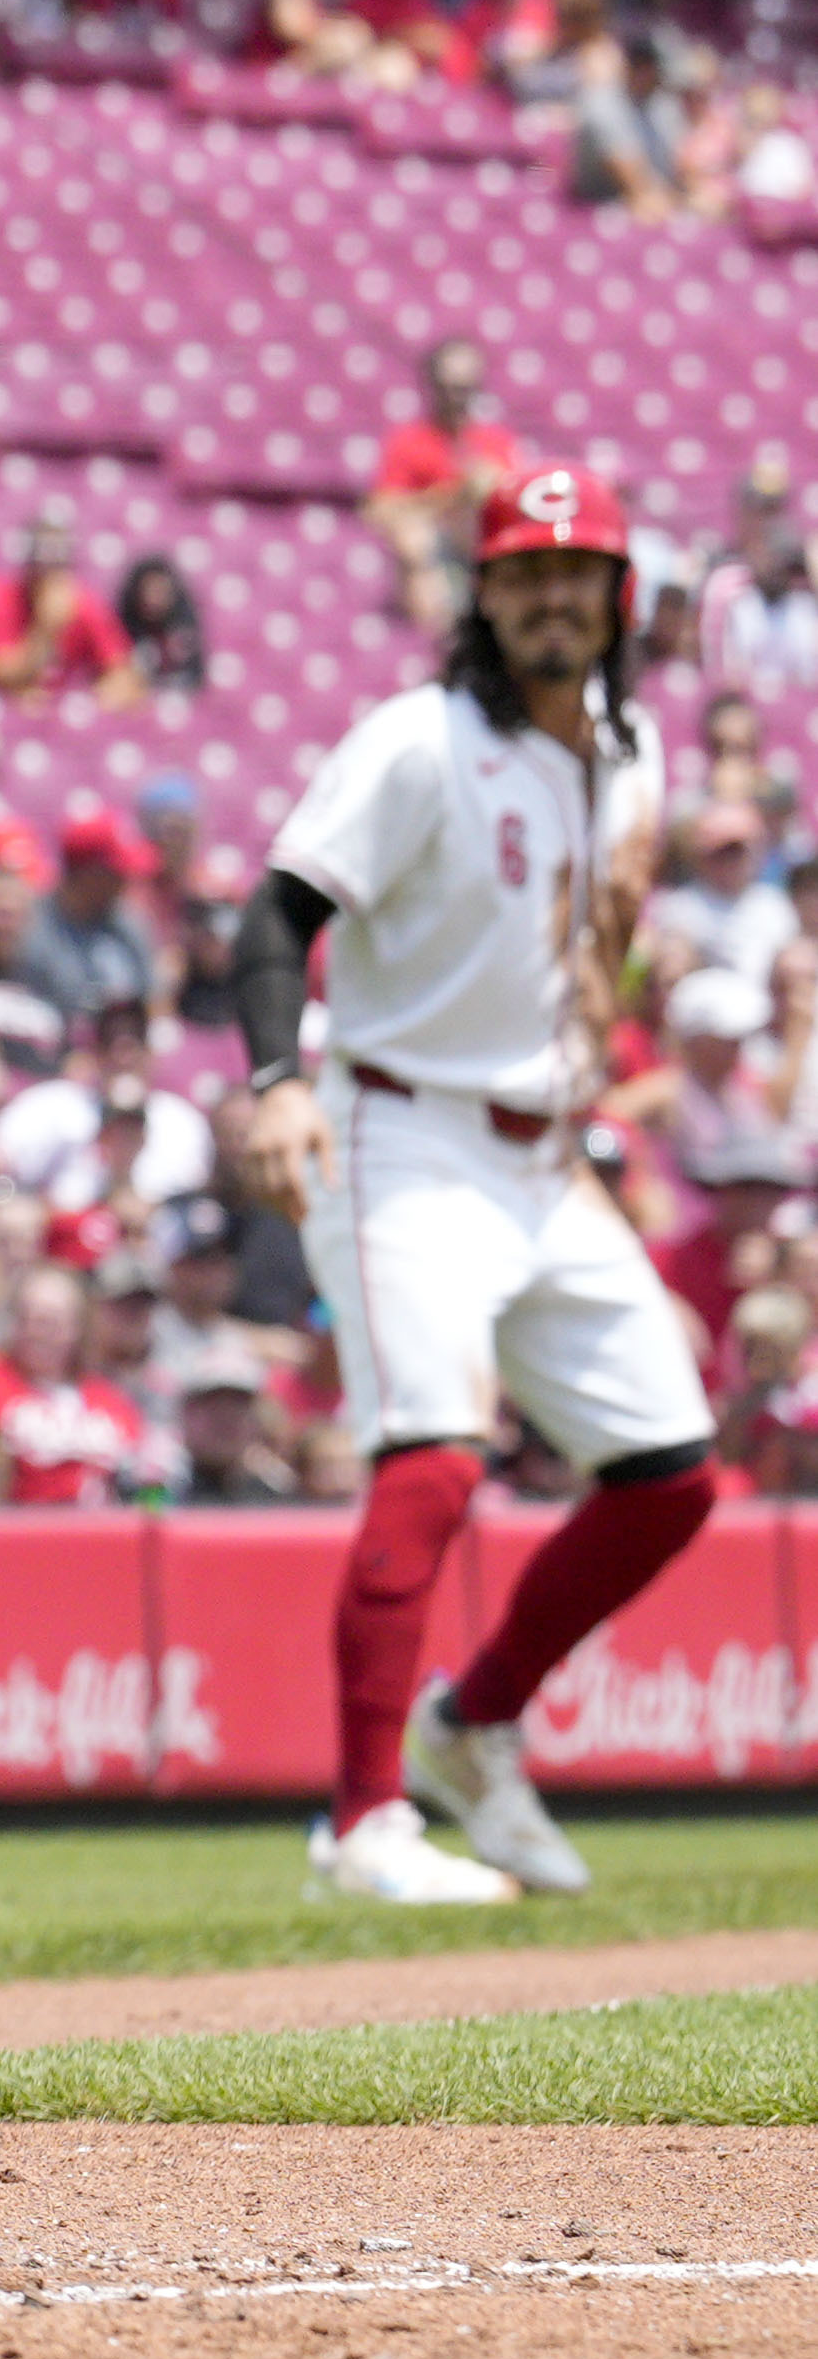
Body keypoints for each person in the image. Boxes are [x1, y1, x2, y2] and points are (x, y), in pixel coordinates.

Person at [256, 465, 729, 1912]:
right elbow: (277, 911)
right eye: (522, 573)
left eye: (573, 573)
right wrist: (273, 1076)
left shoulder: (629, 749)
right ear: (481, 593)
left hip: (542, 1151)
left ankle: (469, 1725)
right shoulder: (416, 740)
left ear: (614, 597)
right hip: (398, 1129)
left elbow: (573, 956)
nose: (548, 598)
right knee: (435, 1454)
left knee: (667, 1473)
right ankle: (358, 1822)